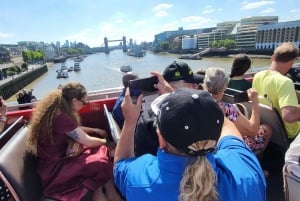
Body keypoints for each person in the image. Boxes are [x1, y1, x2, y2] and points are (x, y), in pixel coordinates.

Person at [113, 87, 266, 201]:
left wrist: (130, 121)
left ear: (160, 139)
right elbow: (228, 127)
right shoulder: (244, 167)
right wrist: (196, 105)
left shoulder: (140, 179)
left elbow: (120, 164)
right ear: (215, 133)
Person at [27, 82, 123, 201]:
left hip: (54, 161)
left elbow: (72, 129)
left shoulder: (57, 111)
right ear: (74, 101)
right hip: (55, 169)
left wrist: (96, 130)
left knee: (99, 152)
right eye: (84, 102)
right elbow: (88, 141)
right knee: (101, 159)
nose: (85, 105)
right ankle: (104, 194)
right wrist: (108, 142)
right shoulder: (61, 116)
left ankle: (103, 192)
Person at [134, 61, 203, 156]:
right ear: (173, 87)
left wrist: (173, 96)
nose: (197, 87)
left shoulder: (150, 114)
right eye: (193, 84)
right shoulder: (153, 122)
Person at [203, 67, 272, 152]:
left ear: (205, 84)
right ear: (225, 86)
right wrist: (255, 103)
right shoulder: (228, 109)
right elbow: (253, 130)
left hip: (208, 145)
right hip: (227, 147)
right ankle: (255, 159)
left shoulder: (198, 101)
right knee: (267, 129)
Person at [252, 42, 300, 140]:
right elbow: (289, 116)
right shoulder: (285, 82)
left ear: (273, 57)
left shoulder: (257, 76)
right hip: (290, 133)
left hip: (270, 126)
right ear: (292, 62)